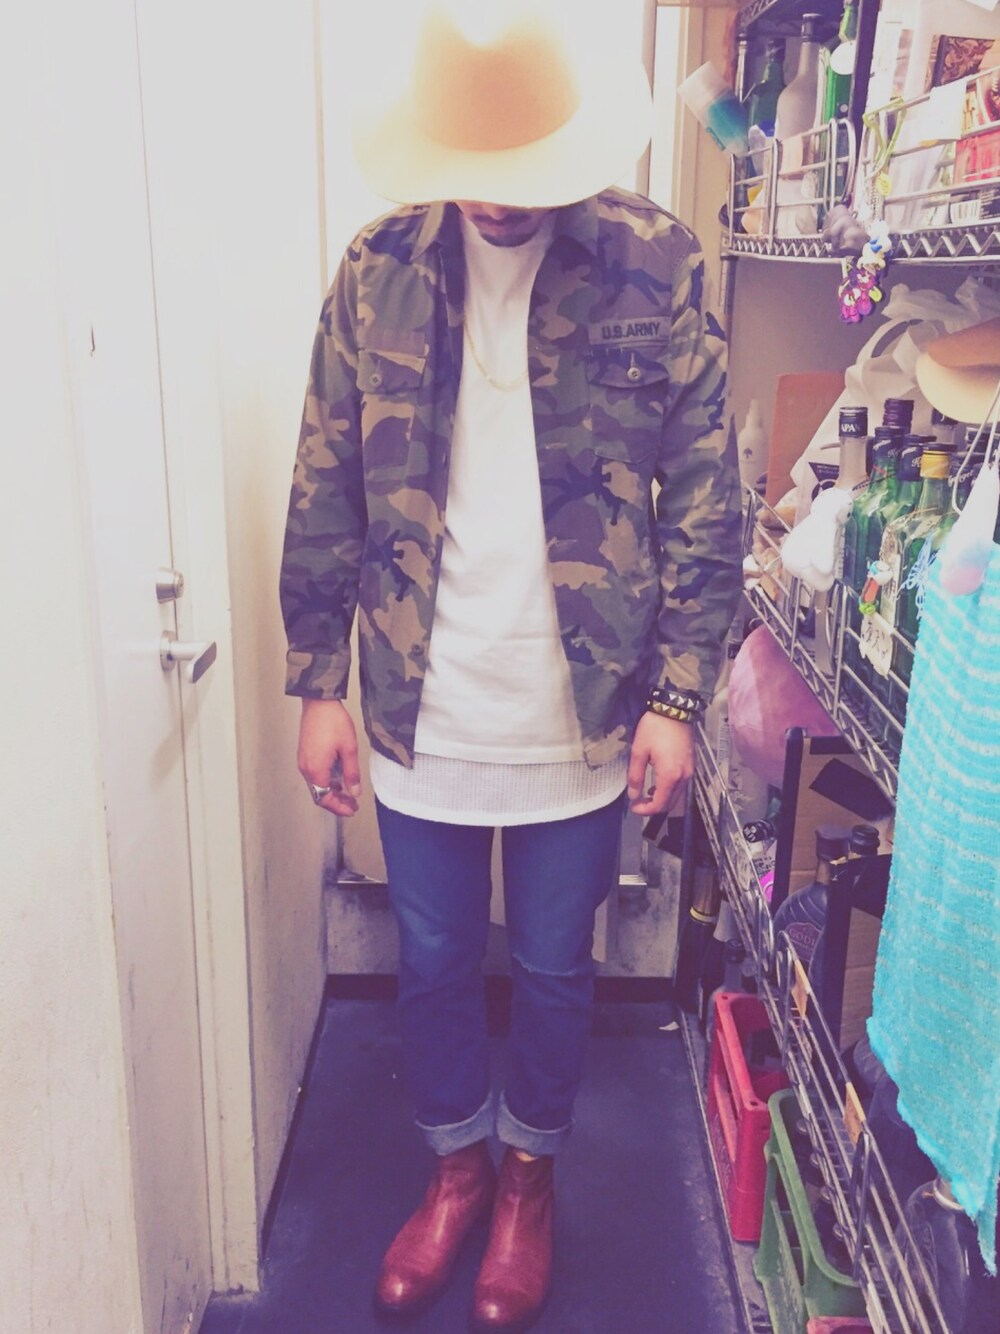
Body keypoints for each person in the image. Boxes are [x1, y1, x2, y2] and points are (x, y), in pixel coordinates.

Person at [279, 3, 742, 1328]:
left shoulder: (653, 263)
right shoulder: (374, 274)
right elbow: (324, 481)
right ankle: (455, 1167)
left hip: (580, 704)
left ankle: (530, 1175)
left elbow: (705, 493)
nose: (494, 194)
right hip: (422, 695)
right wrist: (318, 680)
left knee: (552, 963)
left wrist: (678, 696)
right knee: (430, 961)